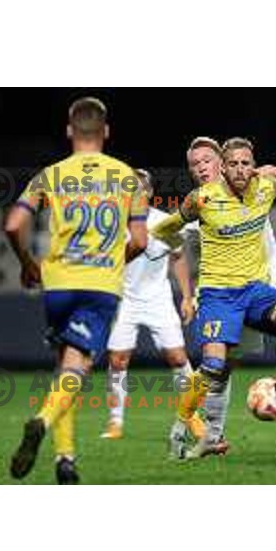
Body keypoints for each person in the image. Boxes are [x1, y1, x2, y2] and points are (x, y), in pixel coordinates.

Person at [154, 138, 276, 459]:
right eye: (193, 164)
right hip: (223, 293)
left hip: (269, 283)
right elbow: (167, 231)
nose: (200, 167)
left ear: (220, 163)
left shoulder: (258, 185)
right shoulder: (200, 203)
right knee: (219, 366)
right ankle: (210, 435)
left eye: (205, 160)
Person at [5, 97, 148, 484]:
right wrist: (113, 261)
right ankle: (42, 420)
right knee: (77, 371)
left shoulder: (50, 175)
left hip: (58, 284)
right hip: (100, 287)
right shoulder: (127, 177)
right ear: (106, 132)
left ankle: (65, 461)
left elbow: (13, 224)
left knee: (63, 368)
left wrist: (28, 265)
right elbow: (139, 240)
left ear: (70, 130)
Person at [101, 169, 202, 440]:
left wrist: (187, 296)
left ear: (150, 193)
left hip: (159, 300)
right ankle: (115, 421)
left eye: (140, 189)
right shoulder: (113, 225)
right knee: (118, 360)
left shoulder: (164, 223)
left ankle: (193, 417)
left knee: (178, 358)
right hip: (126, 301)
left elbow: (178, 258)